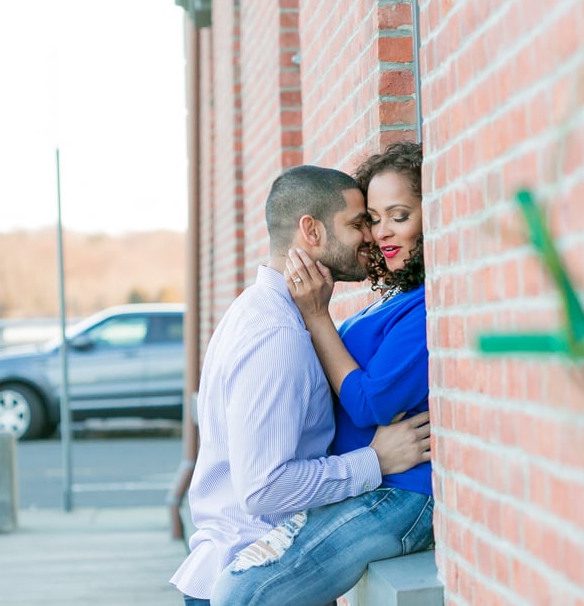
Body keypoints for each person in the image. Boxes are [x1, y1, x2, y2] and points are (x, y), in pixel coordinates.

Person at [170, 165, 432, 605]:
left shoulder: (262, 312)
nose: (370, 236)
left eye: (390, 218)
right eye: (359, 223)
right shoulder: (278, 336)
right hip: (245, 569)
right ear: (310, 231)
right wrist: (374, 461)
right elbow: (264, 487)